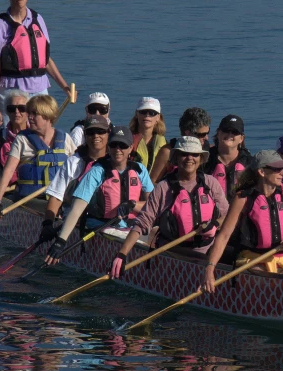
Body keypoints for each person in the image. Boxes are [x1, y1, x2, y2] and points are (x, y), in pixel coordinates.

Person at [108, 136, 229, 278]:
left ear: (201, 158)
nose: (189, 158)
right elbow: (142, 224)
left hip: (209, 247)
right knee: (207, 260)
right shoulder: (163, 188)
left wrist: (215, 224)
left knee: (234, 255)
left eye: (195, 154)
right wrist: (122, 254)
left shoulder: (211, 183)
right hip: (173, 250)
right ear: (176, 157)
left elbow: (227, 215)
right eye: (184, 154)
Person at [43, 126, 154, 265]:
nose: (118, 149)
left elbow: (154, 205)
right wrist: (61, 241)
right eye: (114, 145)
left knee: (156, 235)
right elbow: (77, 209)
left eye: (123, 145)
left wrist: (132, 205)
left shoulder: (140, 170)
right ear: (108, 147)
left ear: (131, 148)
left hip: (131, 227)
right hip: (102, 226)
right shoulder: (96, 172)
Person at [202, 150, 283, 293]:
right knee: (267, 284)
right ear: (262, 172)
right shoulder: (242, 198)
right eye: (277, 169)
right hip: (252, 260)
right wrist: (210, 268)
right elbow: (224, 236)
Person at [0, 0, 70, 127]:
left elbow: (45, 60)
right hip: (13, 92)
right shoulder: (1, 25)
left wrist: (65, 87)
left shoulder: (38, 20)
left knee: (42, 133)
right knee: (12, 135)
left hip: (39, 90)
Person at [0, 95, 77, 220]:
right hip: (31, 200)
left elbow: (78, 170)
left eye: (34, 114)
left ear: (47, 116)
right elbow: (8, 171)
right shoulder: (22, 139)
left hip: (60, 198)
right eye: (29, 113)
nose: (29, 117)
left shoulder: (65, 138)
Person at [38, 115, 110, 242]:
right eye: (90, 132)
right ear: (85, 135)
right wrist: (48, 223)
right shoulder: (73, 162)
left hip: (108, 222)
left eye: (100, 131)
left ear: (108, 133)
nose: (95, 136)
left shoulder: (115, 161)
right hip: (76, 221)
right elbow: (56, 196)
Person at [149, 107, 212, 183]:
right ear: (188, 133)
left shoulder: (210, 150)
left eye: (207, 133)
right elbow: (153, 181)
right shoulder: (167, 152)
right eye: (202, 134)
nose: (206, 138)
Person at [203, 114, 252, 202]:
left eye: (235, 132)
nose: (230, 134)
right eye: (226, 130)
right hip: (214, 213)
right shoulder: (205, 160)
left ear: (241, 138)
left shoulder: (250, 163)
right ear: (218, 133)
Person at [128, 97, 167, 173]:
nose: (147, 115)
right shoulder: (127, 140)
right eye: (143, 112)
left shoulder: (164, 143)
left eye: (152, 113)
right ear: (137, 114)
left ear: (158, 117)